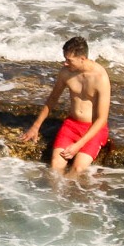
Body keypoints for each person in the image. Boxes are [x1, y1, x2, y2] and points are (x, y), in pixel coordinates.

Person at [19, 36, 111, 174]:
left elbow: (102, 119)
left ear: (83, 58)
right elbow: (52, 99)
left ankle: (71, 195)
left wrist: (78, 145)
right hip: (72, 125)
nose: (65, 63)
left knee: (77, 169)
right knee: (56, 166)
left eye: (69, 60)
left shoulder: (100, 77)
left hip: (93, 129)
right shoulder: (66, 73)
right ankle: (55, 196)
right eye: (65, 59)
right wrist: (35, 126)